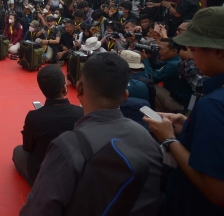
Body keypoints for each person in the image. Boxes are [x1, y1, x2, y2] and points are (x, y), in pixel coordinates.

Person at [143, 7, 224, 215]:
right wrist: (189, 124)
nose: (190, 55)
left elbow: (221, 193)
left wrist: (169, 140)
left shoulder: (218, 106)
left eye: (195, 49)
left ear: (219, 50)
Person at [21, 53, 163, 215]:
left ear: (79, 89)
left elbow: (39, 210)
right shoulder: (149, 141)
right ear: (125, 96)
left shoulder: (67, 146)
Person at [13, 65, 83, 186]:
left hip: (43, 174)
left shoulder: (34, 117)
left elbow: (27, 148)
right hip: (72, 172)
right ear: (64, 88)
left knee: (17, 150)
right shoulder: (81, 113)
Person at [141, 38, 192, 112]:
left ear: (174, 51)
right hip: (176, 99)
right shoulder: (175, 60)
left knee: (150, 85)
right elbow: (157, 65)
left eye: (161, 49)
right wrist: (150, 57)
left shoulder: (174, 65)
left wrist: (145, 59)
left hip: (179, 106)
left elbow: (153, 77)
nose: (159, 51)